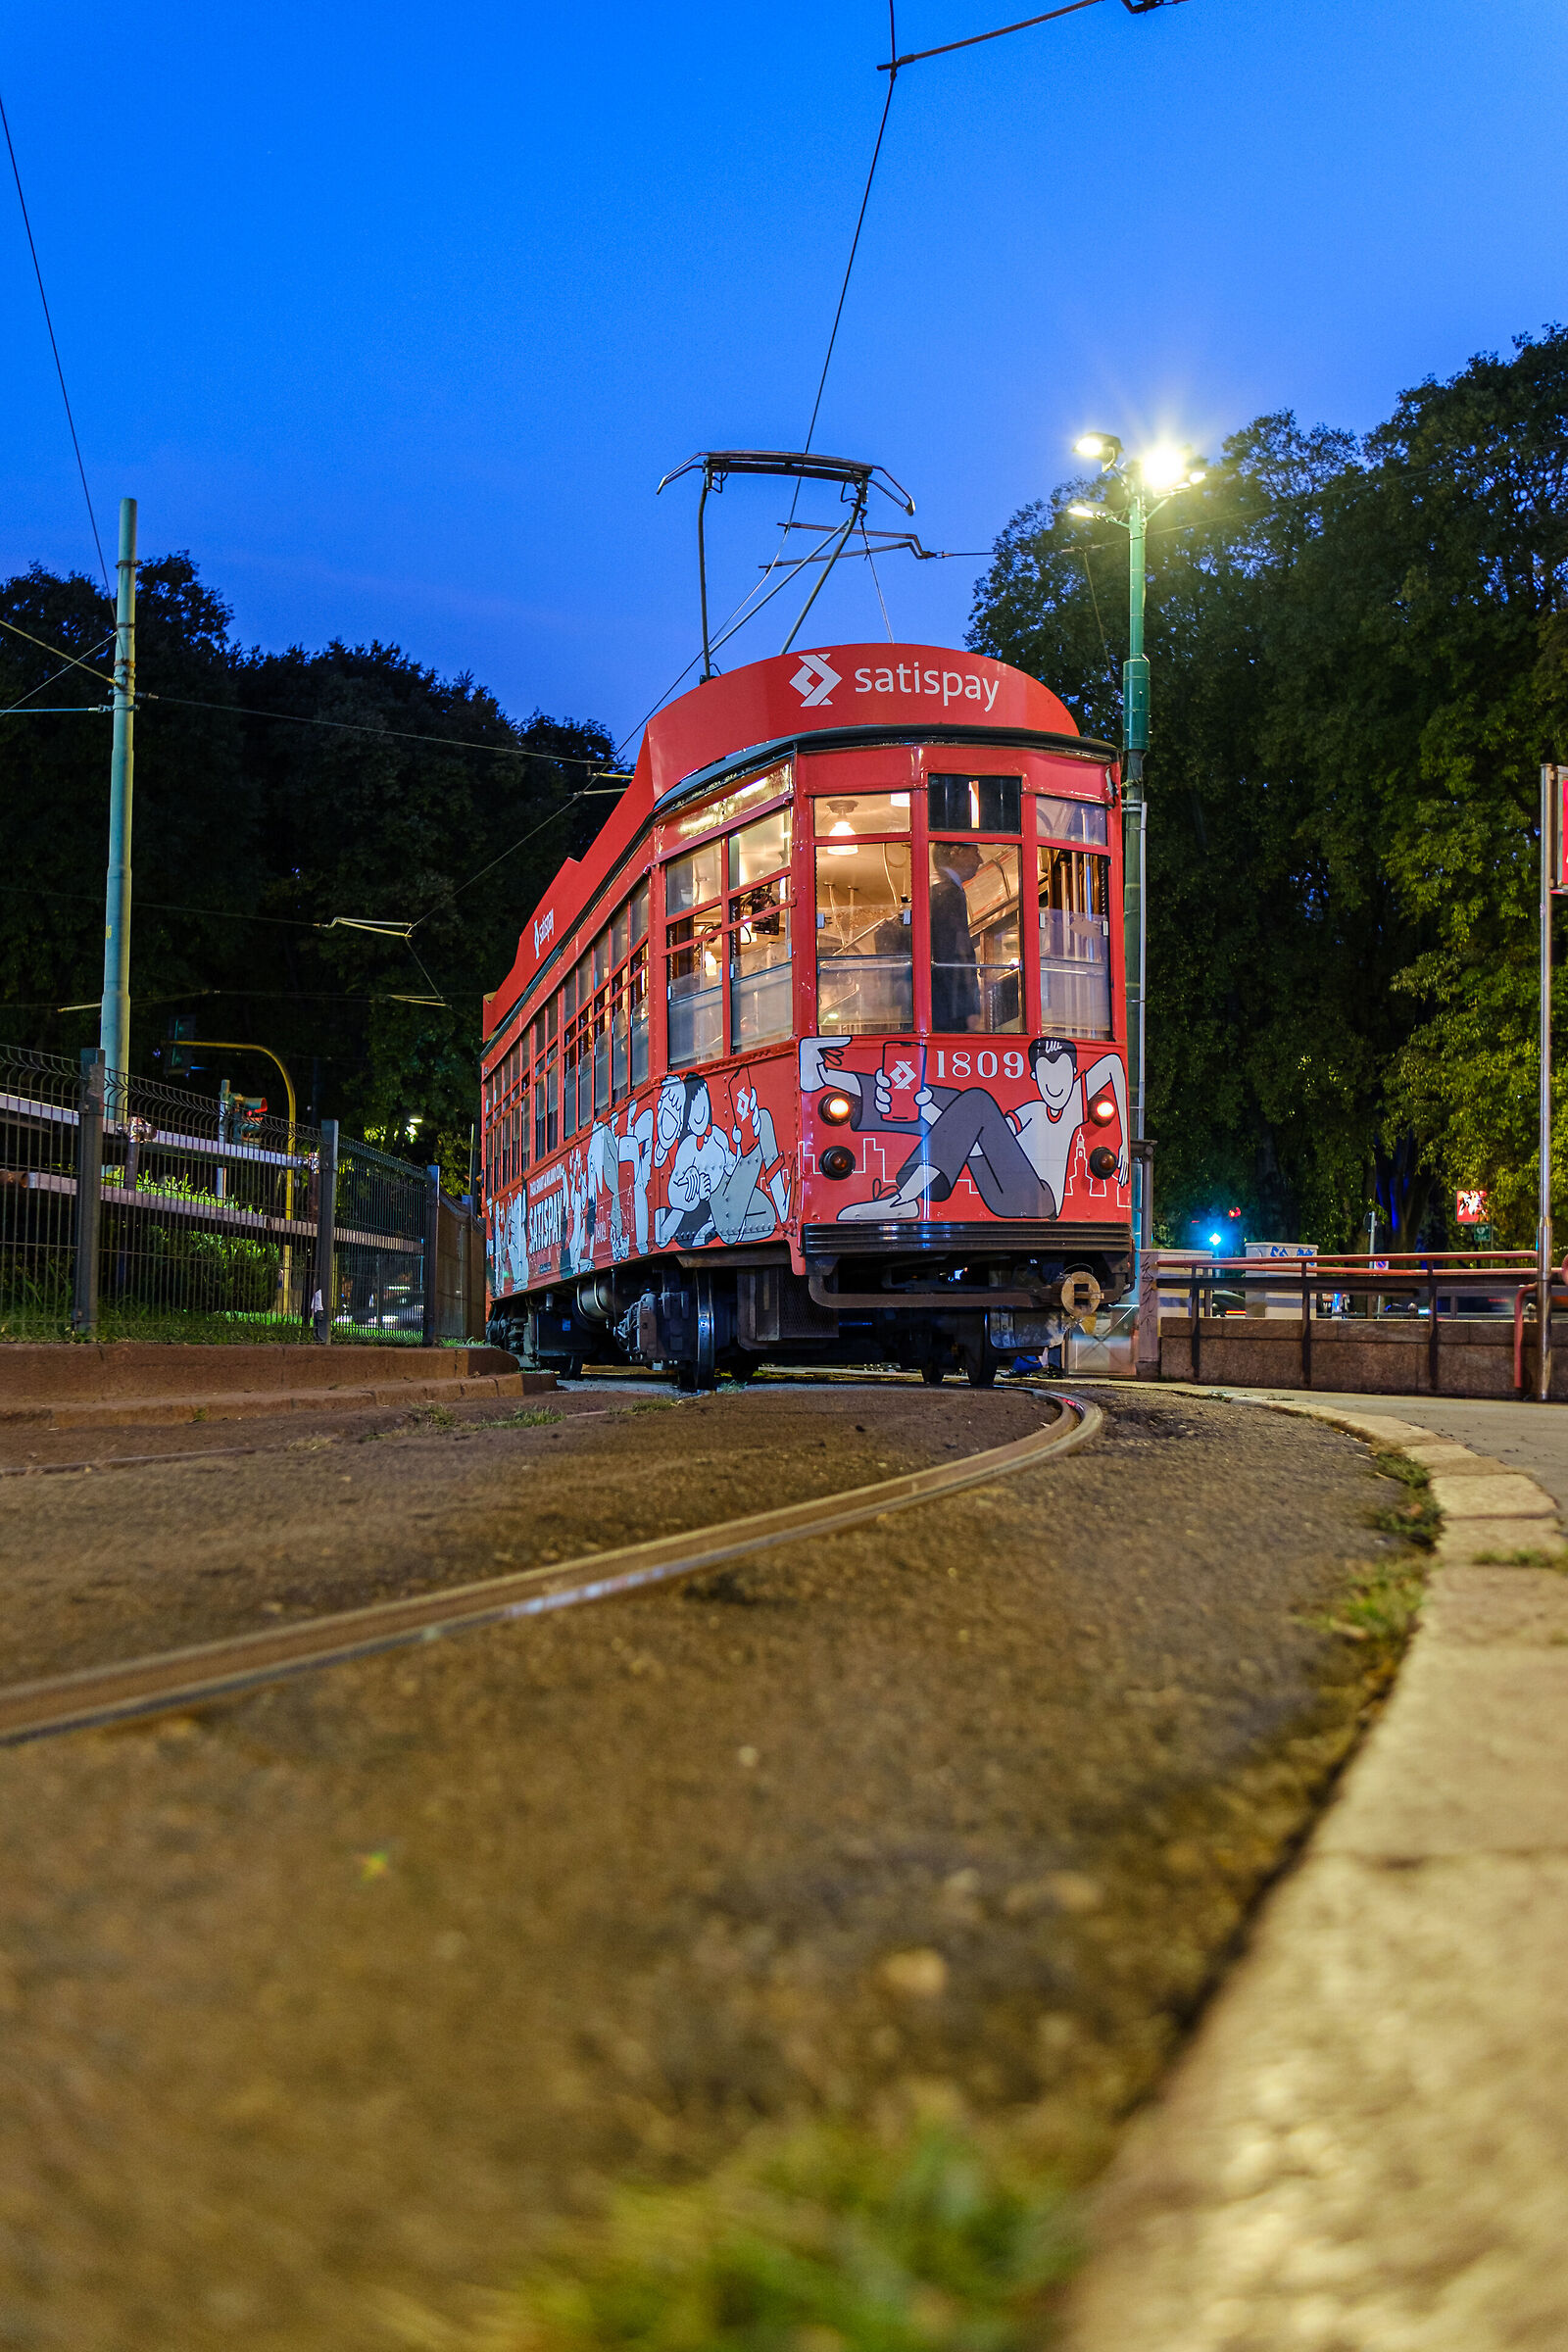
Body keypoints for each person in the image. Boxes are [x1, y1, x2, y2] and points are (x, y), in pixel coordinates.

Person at [835, 1036, 1128, 1223]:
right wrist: (930, 1110)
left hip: (1040, 1199)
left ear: (1074, 1075)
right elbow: (975, 1141)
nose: (1055, 1083)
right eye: (1047, 1074)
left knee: (975, 1101)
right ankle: (838, 1079)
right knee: (957, 1104)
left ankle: (904, 1198)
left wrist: (1124, 1144)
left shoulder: (1075, 1103)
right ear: (1035, 1077)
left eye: (1063, 1072)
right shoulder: (1031, 1111)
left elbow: (1113, 1063)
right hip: (1004, 1193)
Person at [928, 841, 983, 1032]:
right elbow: (955, 953)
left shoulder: (935, 891)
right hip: (949, 1010)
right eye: (975, 852)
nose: (980, 860)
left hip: (936, 1003)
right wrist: (968, 1009)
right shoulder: (949, 893)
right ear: (955, 852)